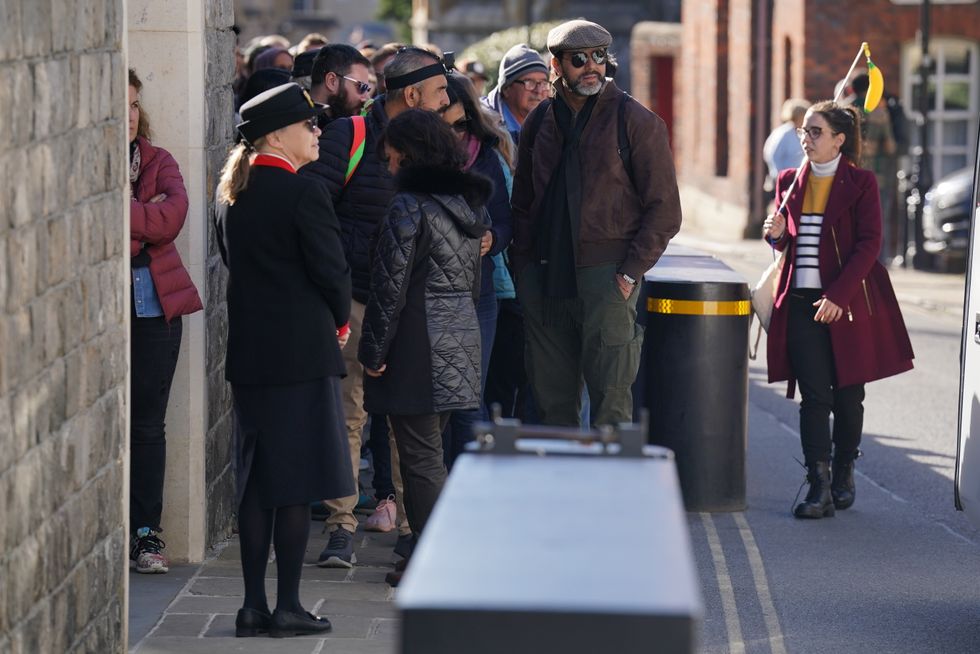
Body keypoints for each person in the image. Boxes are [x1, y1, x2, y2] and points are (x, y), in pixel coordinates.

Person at [301, 46, 450, 569]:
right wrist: (336, 284)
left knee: (405, 421)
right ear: (411, 96)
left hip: (410, 308)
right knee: (349, 415)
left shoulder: (435, 145)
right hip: (357, 300)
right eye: (438, 95)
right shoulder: (350, 136)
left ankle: (413, 529)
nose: (445, 103)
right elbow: (313, 211)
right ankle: (341, 525)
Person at [214, 83, 353, 637]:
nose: (317, 132)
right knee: (294, 482)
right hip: (300, 354)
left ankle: (252, 606)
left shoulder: (233, 194)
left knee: (257, 482)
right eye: (308, 125)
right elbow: (333, 272)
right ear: (277, 134)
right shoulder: (302, 193)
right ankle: (288, 606)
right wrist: (340, 322)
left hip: (251, 354)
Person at [510, 19, 682, 428]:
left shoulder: (635, 121)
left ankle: (610, 491)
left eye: (599, 57)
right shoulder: (539, 122)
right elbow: (522, 205)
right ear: (557, 65)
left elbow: (665, 210)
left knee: (611, 403)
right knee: (552, 404)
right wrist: (524, 269)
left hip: (606, 276)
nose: (592, 67)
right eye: (579, 59)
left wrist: (629, 272)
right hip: (545, 275)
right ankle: (559, 490)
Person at [762, 100, 914, 519]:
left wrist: (838, 296)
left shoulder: (861, 183)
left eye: (814, 132)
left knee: (849, 398)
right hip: (800, 303)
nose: (805, 139)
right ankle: (819, 485)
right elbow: (786, 243)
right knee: (814, 399)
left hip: (846, 303)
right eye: (803, 132)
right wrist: (775, 236)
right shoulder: (790, 181)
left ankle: (844, 468)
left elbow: (869, 245)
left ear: (839, 139)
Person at [360, 109, 491, 586]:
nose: (390, 169)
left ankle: (434, 559)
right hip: (459, 333)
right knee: (428, 453)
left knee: (420, 459)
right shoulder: (469, 206)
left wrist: (373, 353)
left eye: (393, 159)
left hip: (417, 341)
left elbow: (389, 290)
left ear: (411, 156)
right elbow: (473, 285)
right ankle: (426, 551)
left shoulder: (409, 207)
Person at [127, 69, 204, 575]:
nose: (128, 115)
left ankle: (146, 534)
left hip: (155, 304)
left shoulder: (160, 160)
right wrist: (141, 216)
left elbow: (172, 219)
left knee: (148, 424)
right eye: (119, 105)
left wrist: (121, 215)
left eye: (134, 105)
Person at [440, 72, 513, 466]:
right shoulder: (419, 150)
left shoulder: (484, 154)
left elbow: (504, 219)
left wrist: (493, 239)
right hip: (431, 290)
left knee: (470, 397)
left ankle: (466, 487)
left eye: (461, 123)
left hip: (479, 292)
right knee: (438, 403)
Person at [850, 73, 900, 263]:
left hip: (851, 174)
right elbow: (890, 147)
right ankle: (878, 262)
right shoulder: (879, 112)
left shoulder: (844, 109)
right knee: (878, 221)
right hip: (877, 175)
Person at [484, 43, 550, 145]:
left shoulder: (553, 126)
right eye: (529, 82)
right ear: (506, 89)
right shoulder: (483, 125)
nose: (538, 90)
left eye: (543, 83)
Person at [309, 44, 374, 123]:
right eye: (361, 87)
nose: (367, 98)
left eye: (368, 89)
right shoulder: (299, 126)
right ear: (332, 81)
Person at [763, 98, 810, 191]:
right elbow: (773, 155)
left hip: (798, 178)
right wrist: (779, 175)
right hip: (785, 180)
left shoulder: (801, 132)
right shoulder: (785, 133)